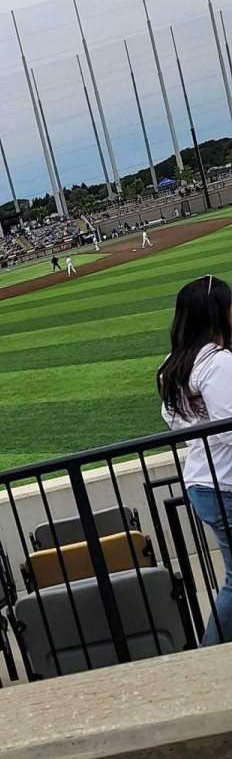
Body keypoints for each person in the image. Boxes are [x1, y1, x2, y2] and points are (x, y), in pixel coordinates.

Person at [159, 276, 232, 645]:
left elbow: (175, 420)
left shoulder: (176, 365)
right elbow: (229, 430)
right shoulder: (217, 364)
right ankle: (208, 652)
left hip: (204, 482)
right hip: (225, 485)